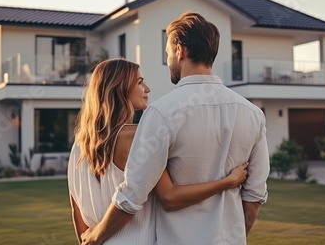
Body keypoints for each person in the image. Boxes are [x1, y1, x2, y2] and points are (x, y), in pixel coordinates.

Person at [81, 12, 270, 245]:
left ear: (180, 51)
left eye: (168, 53)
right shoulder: (253, 114)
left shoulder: (161, 113)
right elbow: (254, 196)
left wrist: (96, 236)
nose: (169, 60)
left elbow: (132, 195)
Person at [67, 58, 249, 244]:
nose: (147, 88)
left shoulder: (78, 147)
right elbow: (170, 196)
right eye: (139, 82)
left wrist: (94, 238)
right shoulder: (138, 137)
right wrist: (227, 181)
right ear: (119, 88)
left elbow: (78, 213)